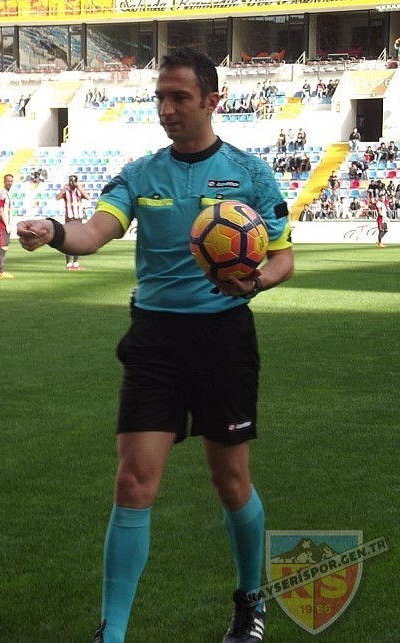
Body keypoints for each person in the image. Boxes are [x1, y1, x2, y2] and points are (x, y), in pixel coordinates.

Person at [17, 47, 294, 643]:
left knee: (231, 483)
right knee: (133, 482)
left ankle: (250, 601)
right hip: (155, 340)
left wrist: (254, 282)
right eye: (160, 98)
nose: (166, 109)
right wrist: (54, 230)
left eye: (179, 97)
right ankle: (112, 633)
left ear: (212, 101)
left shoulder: (250, 174)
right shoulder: (140, 174)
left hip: (223, 337)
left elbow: (282, 258)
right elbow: (95, 232)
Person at [56, 175, 90, 270]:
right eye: (70, 181)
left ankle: (76, 263)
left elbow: (88, 197)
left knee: (78, 240)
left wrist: (80, 188)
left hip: (78, 218)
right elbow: (57, 197)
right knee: (68, 240)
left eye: (73, 181)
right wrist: (63, 189)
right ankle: (69, 263)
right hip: (69, 218)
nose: (71, 183)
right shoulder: (66, 192)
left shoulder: (79, 191)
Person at [0, 173, 14, 279]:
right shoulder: (1, 192)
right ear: (4, 181)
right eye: (8, 181)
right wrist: (6, 224)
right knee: (2, 248)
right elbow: (0, 210)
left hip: (6, 225)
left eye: (11, 181)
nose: (9, 183)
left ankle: (1, 271)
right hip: (1, 225)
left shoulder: (7, 193)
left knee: (4, 247)